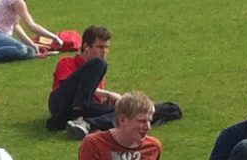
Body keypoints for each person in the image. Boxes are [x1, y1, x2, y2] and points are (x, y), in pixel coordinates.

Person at [46, 26, 180, 137]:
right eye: (100, 47)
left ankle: (87, 124)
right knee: (100, 64)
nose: (104, 51)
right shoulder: (68, 63)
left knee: (126, 113)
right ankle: (77, 118)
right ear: (86, 46)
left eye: (106, 48)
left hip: (86, 108)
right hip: (61, 103)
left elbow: (91, 96)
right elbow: (68, 89)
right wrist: (108, 94)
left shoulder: (98, 69)